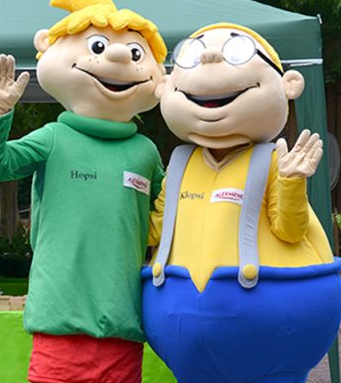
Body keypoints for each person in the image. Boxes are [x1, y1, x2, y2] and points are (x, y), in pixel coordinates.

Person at [0, 0, 166, 383]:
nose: (114, 58)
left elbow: (167, 218)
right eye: (97, 46)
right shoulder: (52, 138)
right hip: (59, 321)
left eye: (133, 52)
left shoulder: (145, 151)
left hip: (121, 323)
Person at [141, 23, 341, 383]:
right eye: (194, 53)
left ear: (288, 85)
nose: (211, 55)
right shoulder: (181, 165)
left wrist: (293, 182)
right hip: (183, 331)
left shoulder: (272, 160)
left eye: (234, 52)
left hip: (267, 330)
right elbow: (156, 227)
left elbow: (290, 230)